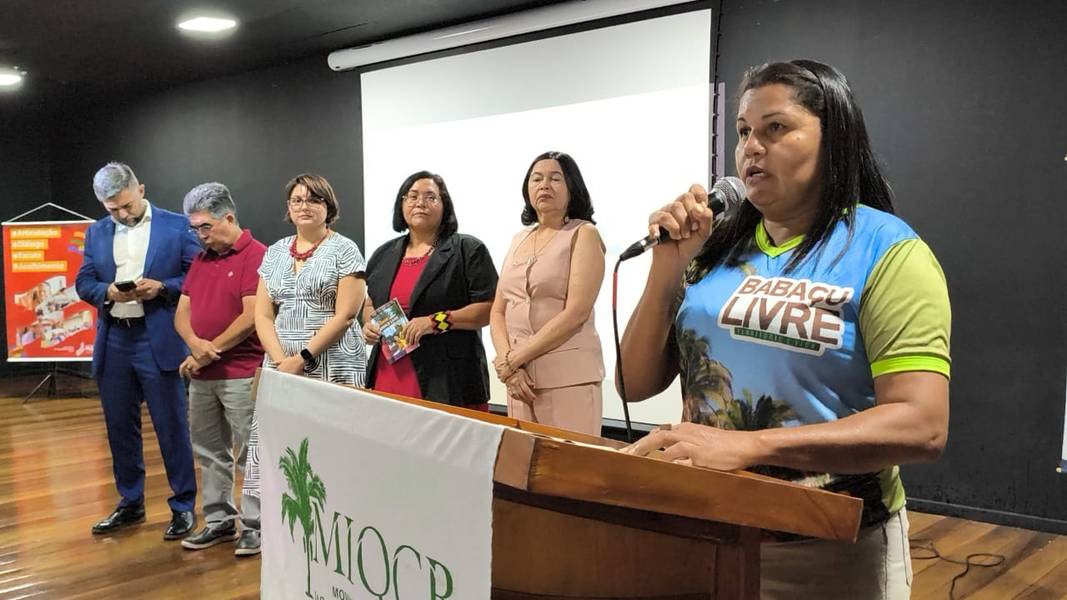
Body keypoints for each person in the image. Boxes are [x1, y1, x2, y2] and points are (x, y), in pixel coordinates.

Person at [619, 60, 951, 599]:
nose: (752, 147)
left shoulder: (887, 251)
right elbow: (633, 384)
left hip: (827, 548)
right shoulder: (716, 251)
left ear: (834, 140)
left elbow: (922, 424)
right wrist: (667, 269)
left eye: (776, 128)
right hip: (702, 529)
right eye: (743, 132)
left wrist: (748, 446)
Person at [74, 162, 201, 540]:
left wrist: (161, 287)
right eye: (112, 209)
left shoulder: (177, 226)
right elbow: (84, 281)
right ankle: (130, 502)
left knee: (171, 427)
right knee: (119, 428)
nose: (122, 214)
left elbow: (197, 277)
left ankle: (183, 506)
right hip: (114, 339)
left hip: (157, 337)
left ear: (141, 189)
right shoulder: (96, 231)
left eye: (127, 205)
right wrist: (107, 292)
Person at [242, 173, 368, 523]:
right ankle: (280, 523)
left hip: (334, 362)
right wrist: (280, 361)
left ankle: (336, 521)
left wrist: (303, 358)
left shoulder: (344, 249)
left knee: (333, 446)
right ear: (289, 207)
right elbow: (263, 314)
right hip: (281, 364)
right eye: (297, 200)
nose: (304, 206)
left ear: (329, 206)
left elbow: (346, 315)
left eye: (314, 199)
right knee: (284, 445)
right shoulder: (275, 252)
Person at [174, 183, 266, 556]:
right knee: (209, 450)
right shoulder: (201, 260)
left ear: (228, 217)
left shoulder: (256, 255)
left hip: (242, 372)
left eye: (206, 227)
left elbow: (251, 316)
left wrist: (206, 352)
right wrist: (195, 346)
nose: (200, 235)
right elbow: (182, 312)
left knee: (250, 453)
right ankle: (219, 520)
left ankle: (256, 525)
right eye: (195, 228)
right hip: (204, 374)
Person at [489, 151, 606, 435]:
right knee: (525, 461)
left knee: (571, 461)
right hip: (519, 380)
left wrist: (514, 359)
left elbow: (577, 312)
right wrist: (508, 365)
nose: (544, 185)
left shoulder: (583, 233)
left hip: (568, 378)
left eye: (555, 179)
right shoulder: (519, 239)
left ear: (572, 188)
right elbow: (498, 311)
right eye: (536, 179)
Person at [362, 171, 498, 409]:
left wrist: (435, 322)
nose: (420, 203)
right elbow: (370, 302)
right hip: (389, 373)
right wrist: (369, 324)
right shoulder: (383, 254)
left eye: (431, 197)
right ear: (401, 204)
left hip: (448, 379)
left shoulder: (467, 249)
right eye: (412, 196)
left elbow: (489, 308)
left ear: (445, 206)